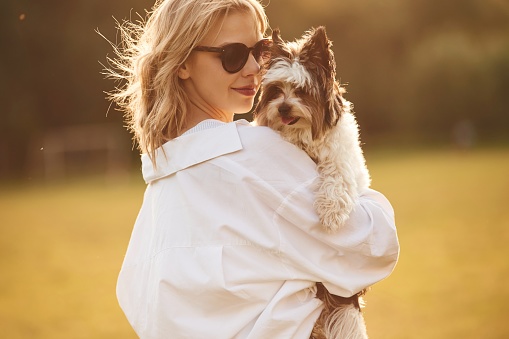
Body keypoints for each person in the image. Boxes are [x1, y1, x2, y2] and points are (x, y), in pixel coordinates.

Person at [108, 0, 399, 338]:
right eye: (232, 55)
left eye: (259, 51)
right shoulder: (255, 154)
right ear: (183, 63)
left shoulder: (159, 193)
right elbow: (376, 244)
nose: (253, 69)